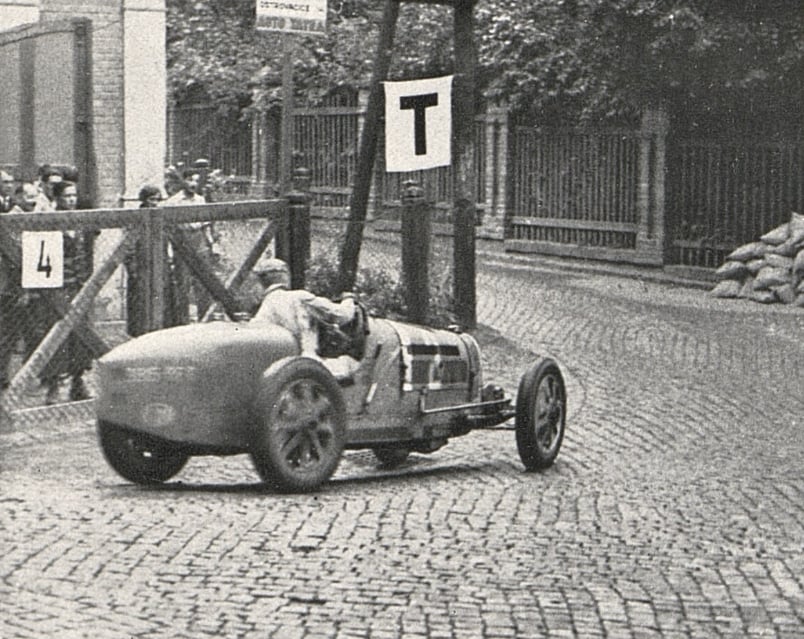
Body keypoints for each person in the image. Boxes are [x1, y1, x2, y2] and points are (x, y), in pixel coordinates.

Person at [251, 258, 362, 379]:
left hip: (278, 373)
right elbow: (342, 315)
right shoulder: (300, 297)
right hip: (308, 366)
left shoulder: (261, 312)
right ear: (284, 276)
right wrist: (348, 299)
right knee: (353, 364)